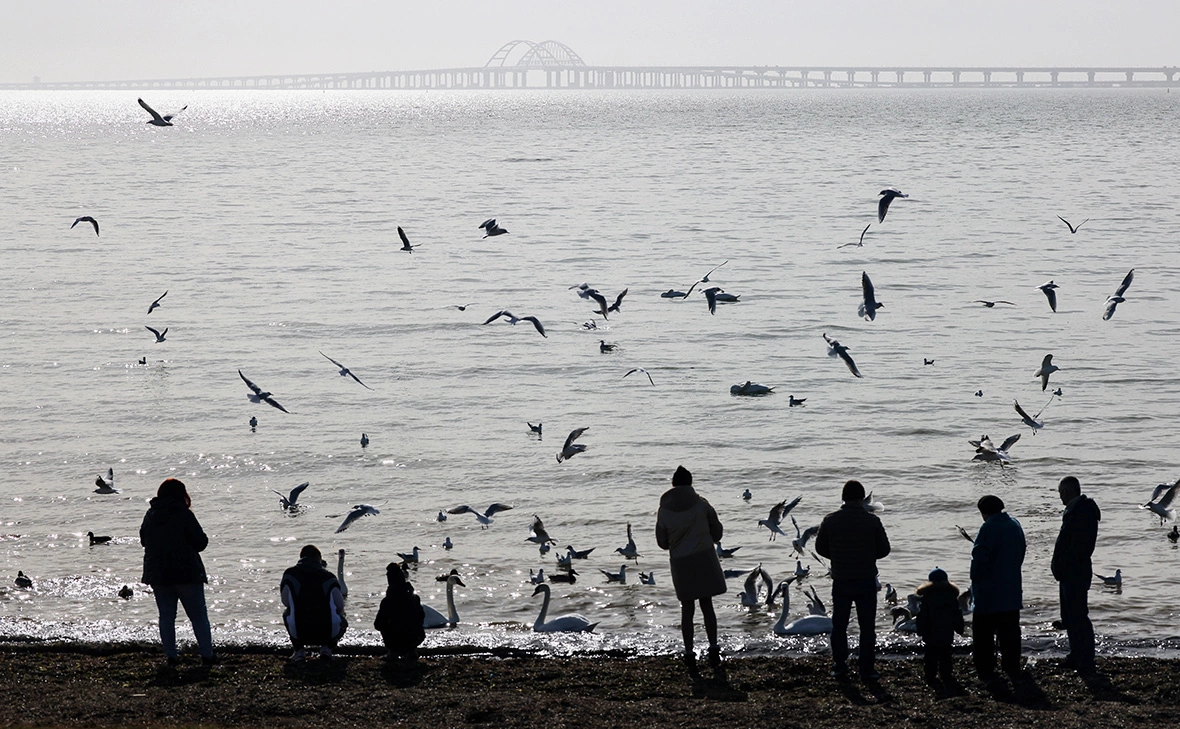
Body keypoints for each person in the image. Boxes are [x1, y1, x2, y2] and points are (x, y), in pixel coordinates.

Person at [814, 479, 891, 680]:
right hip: (866, 579)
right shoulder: (872, 521)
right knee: (867, 627)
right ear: (862, 498)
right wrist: (868, 555)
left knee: (839, 626)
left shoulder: (830, 520)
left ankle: (840, 665)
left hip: (841, 579)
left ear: (843, 498)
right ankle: (867, 668)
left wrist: (837, 556)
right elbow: (884, 550)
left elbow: (820, 548)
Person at [655, 465, 726, 673]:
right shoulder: (702, 504)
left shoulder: (663, 510)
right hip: (704, 558)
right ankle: (713, 648)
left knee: (687, 609)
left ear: (673, 484)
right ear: (690, 483)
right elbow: (717, 533)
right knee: (707, 605)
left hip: (680, 562)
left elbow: (662, 543)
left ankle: (688, 652)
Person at [139, 478, 215, 666]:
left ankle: (171, 656)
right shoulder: (183, 513)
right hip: (186, 572)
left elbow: (143, 540)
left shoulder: (151, 514)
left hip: (158, 574)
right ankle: (207, 655)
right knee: (198, 616)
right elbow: (201, 542)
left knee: (166, 616)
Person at [969, 494, 1026, 682]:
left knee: (983, 633)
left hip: (989, 591)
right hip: (1011, 587)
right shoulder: (1015, 524)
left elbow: (980, 559)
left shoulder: (988, 528)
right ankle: (1011, 665)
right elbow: (1021, 551)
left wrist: (975, 579)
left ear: (983, 512)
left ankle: (985, 668)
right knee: (1010, 631)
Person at [1051, 476, 1101, 674]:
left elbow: (1080, 546)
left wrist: (1062, 563)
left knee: (1078, 616)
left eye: (1060, 492)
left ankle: (1085, 658)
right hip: (1070, 571)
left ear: (1066, 491)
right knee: (1069, 616)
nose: (1060, 496)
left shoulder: (1082, 512)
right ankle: (1076, 655)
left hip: (1075, 572)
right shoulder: (1077, 510)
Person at [280, 544, 348, 661]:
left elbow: (285, 602)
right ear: (319, 559)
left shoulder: (289, 575)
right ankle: (327, 649)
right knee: (342, 618)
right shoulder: (329, 578)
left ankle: (299, 651)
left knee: (287, 612)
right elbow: (340, 606)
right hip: (327, 633)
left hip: (300, 632)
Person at [916, 567, 965, 685]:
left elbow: (922, 616)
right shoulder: (952, 597)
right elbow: (957, 614)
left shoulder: (927, 597)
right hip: (946, 632)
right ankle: (946, 674)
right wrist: (960, 628)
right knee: (946, 655)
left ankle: (930, 675)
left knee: (930, 655)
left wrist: (920, 629)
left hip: (930, 632)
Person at [374, 562, 426, 662]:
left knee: (385, 624)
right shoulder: (414, 598)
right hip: (416, 637)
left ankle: (393, 652)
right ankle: (412, 651)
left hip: (396, 640)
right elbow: (421, 616)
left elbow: (378, 624)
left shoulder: (387, 601)